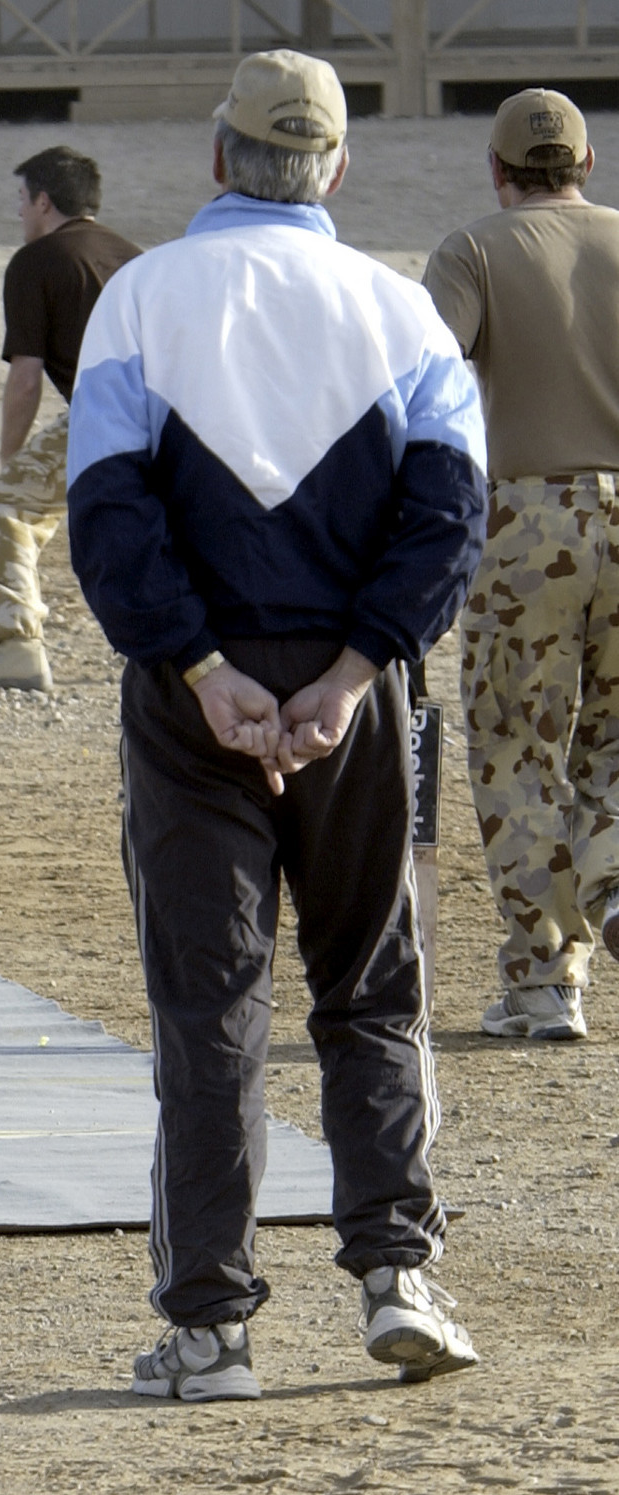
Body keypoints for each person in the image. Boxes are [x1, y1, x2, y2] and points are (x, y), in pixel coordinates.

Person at [67, 51, 487, 1400]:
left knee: (208, 1004)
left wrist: (199, 668)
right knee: (369, 985)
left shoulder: (136, 299)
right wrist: (356, 671)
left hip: (192, 700)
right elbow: (445, 515)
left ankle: (207, 1327)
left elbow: (106, 516)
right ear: (336, 169)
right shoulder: (400, 312)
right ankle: (394, 1274)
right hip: (352, 698)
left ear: (214, 158)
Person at [424, 89, 619, 1043]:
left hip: (528, 516)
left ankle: (545, 982)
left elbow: (426, 376)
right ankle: (615, 880)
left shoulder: (472, 249)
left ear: (497, 172)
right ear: (585, 165)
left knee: (516, 744)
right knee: (616, 735)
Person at [0, 146, 139, 694]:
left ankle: (18, 647)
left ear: (44, 202)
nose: (19, 214)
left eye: (22, 201)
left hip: (110, 415)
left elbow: (25, 377)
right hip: (182, 417)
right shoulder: (134, 256)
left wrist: (11, 461)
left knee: (2, 505)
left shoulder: (37, 261)